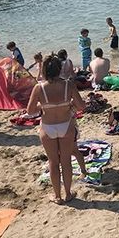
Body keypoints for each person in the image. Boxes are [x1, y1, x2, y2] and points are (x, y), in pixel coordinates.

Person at [27, 55, 86, 205]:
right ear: (60, 69)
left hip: (48, 127)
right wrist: (68, 103)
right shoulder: (68, 85)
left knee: (53, 162)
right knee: (66, 161)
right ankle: (67, 194)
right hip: (66, 125)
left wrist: (44, 106)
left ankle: (57, 196)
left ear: (44, 70)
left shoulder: (39, 87)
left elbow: (30, 110)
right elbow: (81, 107)